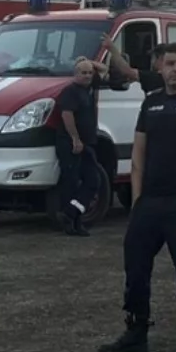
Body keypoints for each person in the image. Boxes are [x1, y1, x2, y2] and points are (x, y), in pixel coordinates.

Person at [96, 41, 176, 352]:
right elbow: (138, 152)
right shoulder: (150, 104)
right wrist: (136, 198)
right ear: (160, 68)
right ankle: (136, 333)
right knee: (135, 270)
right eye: (170, 63)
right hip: (148, 203)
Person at [54, 57, 106, 237]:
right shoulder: (70, 92)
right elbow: (66, 115)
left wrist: (88, 61)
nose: (87, 76)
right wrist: (75, 139)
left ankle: (71, 213)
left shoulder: (90, 88)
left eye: (90, 73)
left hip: (88, 142)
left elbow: (105, 69)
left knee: (93, 180)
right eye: (83, 73)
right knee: (71, 181)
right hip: (71, 143)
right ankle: (73, 224)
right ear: (75, 74)